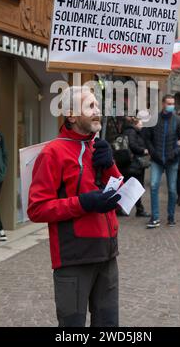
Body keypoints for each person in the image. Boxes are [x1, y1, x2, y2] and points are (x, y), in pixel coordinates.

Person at [28, 86, 122, 327]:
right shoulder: (53, 153)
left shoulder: (97, 147)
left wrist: (110, 165)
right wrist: (83, 203)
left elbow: (118, 194)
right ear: (71, 115)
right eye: (90, 106)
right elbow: (37, 209)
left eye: (98, 106)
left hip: (108, 255)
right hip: (74, 258)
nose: (97, 111)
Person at [145, 94, 180, 228]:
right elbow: (147, 138)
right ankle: (155, 217)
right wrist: (153, 152)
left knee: (172, 190)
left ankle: (171, 216)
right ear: (163, 104)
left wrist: (175, 153)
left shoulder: (178, 120)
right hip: (157, 159)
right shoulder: (154, 119)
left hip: (172, 160)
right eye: (168, 103)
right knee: (153, 186)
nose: (171, 106)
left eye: (172, 104)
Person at [121, 117, 150, 217]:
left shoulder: (128, 131)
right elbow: (133, 145)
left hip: (129, 163)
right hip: (134, 163)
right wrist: (143, 150)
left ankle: (122, 208)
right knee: (137, 186)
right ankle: (139, 209)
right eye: (141, 124)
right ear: (135, 124)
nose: (142, 126)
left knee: (129, 186)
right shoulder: (132, 132)